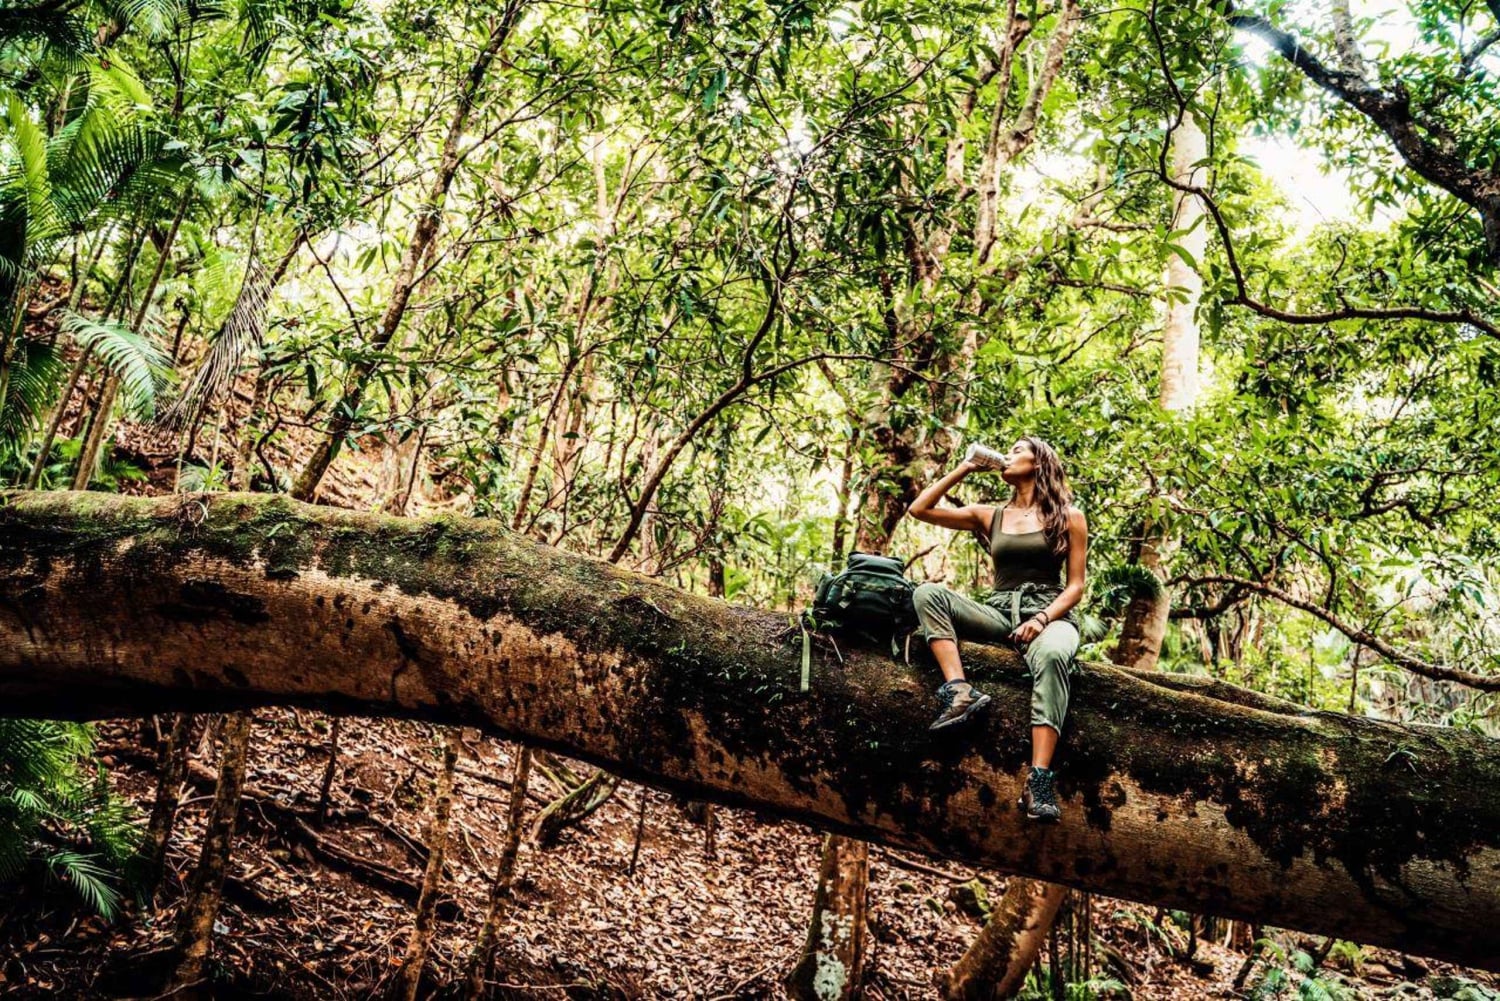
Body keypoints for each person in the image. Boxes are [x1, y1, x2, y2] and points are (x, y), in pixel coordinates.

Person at [905, 436, 1087, 822]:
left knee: (1054, 654)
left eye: (1019, 449)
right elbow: (919, 510)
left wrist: (1041, 620)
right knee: (928, 594)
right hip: (999, 611)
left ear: (1039, 463)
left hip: (1049, 615)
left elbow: (1075, 587)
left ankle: (1038, 781)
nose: (1009, 453)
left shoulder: (1069, 516)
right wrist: (967, 466)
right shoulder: (990, 515)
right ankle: (959, 690)